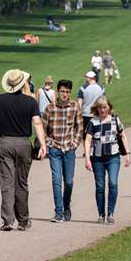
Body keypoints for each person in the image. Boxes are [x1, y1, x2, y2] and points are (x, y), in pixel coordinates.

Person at [0, 69, 44, 232]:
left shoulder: (0, 99)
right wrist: (43, 144)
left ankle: (8, 220)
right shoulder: (30, 102)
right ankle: (23, 220)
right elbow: (37, 123)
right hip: (23, 143)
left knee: (6, 183)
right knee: (21, 182)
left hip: (5, 142)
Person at [43, 79, 84, 223]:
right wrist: (48, 142)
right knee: (56, 181)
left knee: (69, 182)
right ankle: (58, 212)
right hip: (55, 148)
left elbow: (80, 128)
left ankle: (67, 205)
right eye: (62, 91)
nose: (64, 94)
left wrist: (75, 143)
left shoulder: (75, 107)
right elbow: (42, 129)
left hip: (69, 149)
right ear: (58, 91)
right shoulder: (50, 108)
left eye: (67, 92)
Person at [85, 97, 129, 224]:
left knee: (113, 183)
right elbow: (87, 141)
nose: (102, 110)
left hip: (113, 157)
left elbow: (123, 136)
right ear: (97, 109)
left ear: (109, 107)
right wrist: (87, 159)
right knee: (100, 186)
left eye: (104, 107)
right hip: (97, 159)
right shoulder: (93, 122)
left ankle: (110, 213)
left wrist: (127, 154)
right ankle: (101, 214)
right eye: (100, 108)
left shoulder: (115, 120)